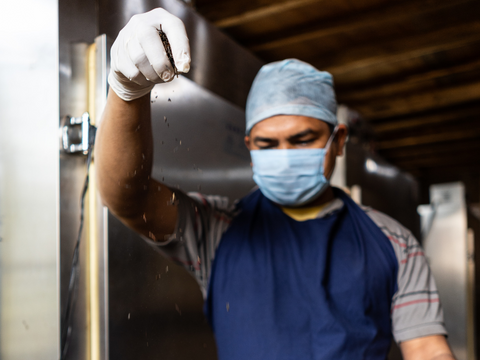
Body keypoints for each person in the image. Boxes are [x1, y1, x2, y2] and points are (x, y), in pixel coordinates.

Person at [95, 8, 455, 360]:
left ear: (339, 141)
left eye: (302, 140)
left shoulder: (393, 243)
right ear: (250, 146)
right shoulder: (218, 229)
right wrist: (126, 92)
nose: (284, 154)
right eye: (267, 144)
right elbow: (129, 198)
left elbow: (426, 348)